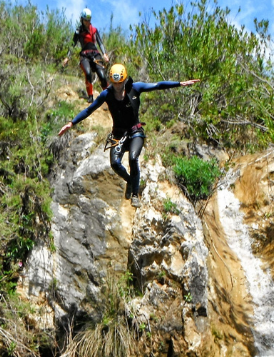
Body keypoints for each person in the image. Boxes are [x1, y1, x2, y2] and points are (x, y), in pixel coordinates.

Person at [58, 63, 200, 208]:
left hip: (135, 131)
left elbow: (157, 85)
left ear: (124, 80)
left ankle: (135, 194)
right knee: (115, 164)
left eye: (120, 83)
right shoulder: (106, 94)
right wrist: (71, 123)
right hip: (118, 134)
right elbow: (89, 110)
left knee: (133, 158)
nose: (117, 86)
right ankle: (130, 181)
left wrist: (179, 83)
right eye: (114, 83)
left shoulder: (135, 88)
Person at [62, 8, 109, 103]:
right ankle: (90, 96)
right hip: (85, 56)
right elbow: (72, 44)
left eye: (89, 20)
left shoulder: (94, 30)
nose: (88, 22)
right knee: (88, 73)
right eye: (86, 20)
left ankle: (109, 96)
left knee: (102, 76)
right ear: (82, 20)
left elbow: (100, 43)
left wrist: (104, 54)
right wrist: (67, 57)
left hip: (95, 54)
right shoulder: (78, 32)